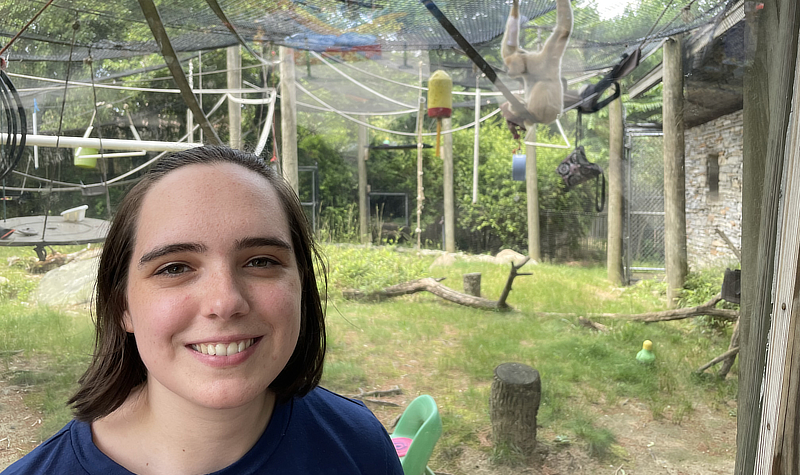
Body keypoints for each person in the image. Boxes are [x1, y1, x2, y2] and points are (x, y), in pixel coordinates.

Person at [3, 146, 404, 474]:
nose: (225, 301)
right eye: (174, 267)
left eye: (261, 261)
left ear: (302, 285)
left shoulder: (360, 445)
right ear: (121, 304)